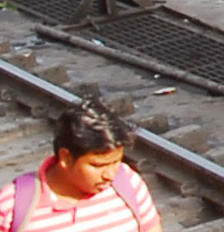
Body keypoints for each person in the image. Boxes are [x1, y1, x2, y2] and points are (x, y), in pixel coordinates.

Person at [0, 98, 162, 232]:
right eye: (98, 165)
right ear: (66, 157)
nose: (109, 175)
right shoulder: (12, 206)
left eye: (115, 162)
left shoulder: (128, 183)